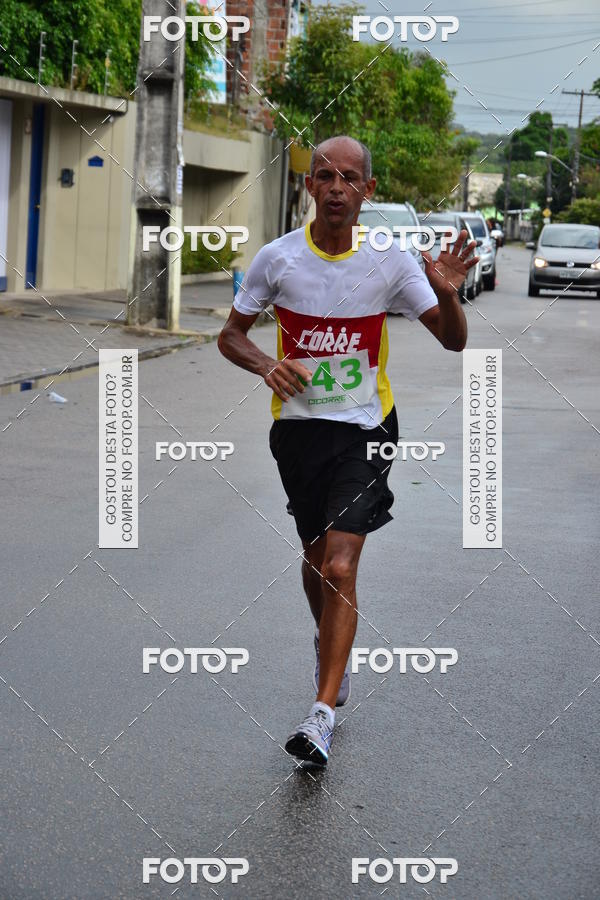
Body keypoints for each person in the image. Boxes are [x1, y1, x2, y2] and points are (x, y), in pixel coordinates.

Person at [217, 135, 478, 766]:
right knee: (315, 563)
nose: (337, 188)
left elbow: (453, 342)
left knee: (339, 565)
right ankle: (330, 645)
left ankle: (322, 711)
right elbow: (230, 336)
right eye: (324, 176)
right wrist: (264, 363)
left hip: (367, 430)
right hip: (299, 433)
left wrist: (445, 291)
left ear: (368, 190)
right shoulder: (277, 261)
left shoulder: (388, 262)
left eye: (350, 178)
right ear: (309, 187)